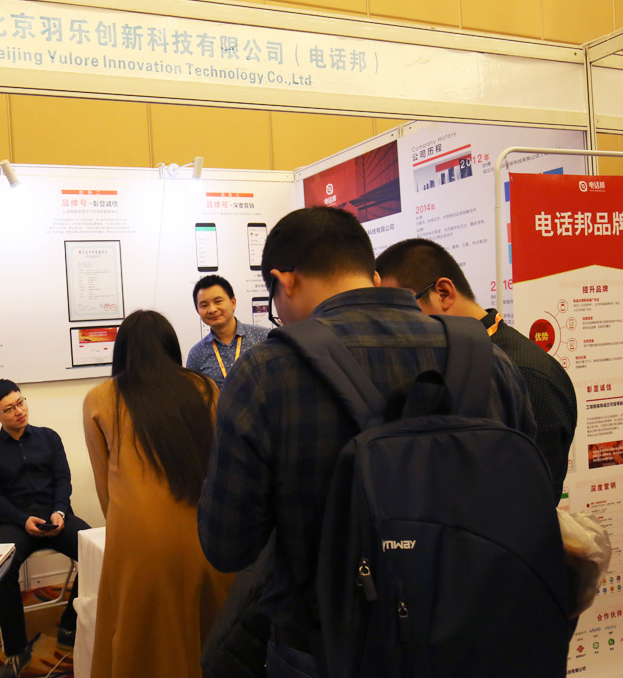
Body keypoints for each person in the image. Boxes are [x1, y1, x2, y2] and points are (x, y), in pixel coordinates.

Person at [197, 207, 535, 678]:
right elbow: (526, 502)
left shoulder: (266, 373)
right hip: (471, 638)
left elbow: (227, 546)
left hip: (326, 649)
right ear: (371, 275)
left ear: (283, 281)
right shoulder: (490, 360)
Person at [83, 310, 233, 678]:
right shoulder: (204, 388)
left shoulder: (101, 398)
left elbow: (105, 488)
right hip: (202, 527)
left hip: (138, 535)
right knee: (210, 626)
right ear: (171, 347)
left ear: (122, 351)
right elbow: (219, 461)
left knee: (137, 630)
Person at [375, 237, 577, 500]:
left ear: (443, 293)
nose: (394, 327)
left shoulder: (526, 372)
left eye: (399, 311)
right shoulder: (459, 359)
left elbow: (530, 500)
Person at [0, 379, 91, 678]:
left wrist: (59, 511)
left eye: (20, 402)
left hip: (56, 516)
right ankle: (17, 650)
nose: (19, 411)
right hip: (17, 523)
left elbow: (63, 479)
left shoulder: (49, 437)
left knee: (95, 550)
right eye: (9, 408)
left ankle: (70, 625)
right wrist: (21, 519)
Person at [186, 275, 270, 387]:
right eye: (204, 305)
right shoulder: (196, 354)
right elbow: (194, 393)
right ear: (198, 311)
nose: (212, 309)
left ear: (233, 302)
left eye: (218, 301)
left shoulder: (264, 337)